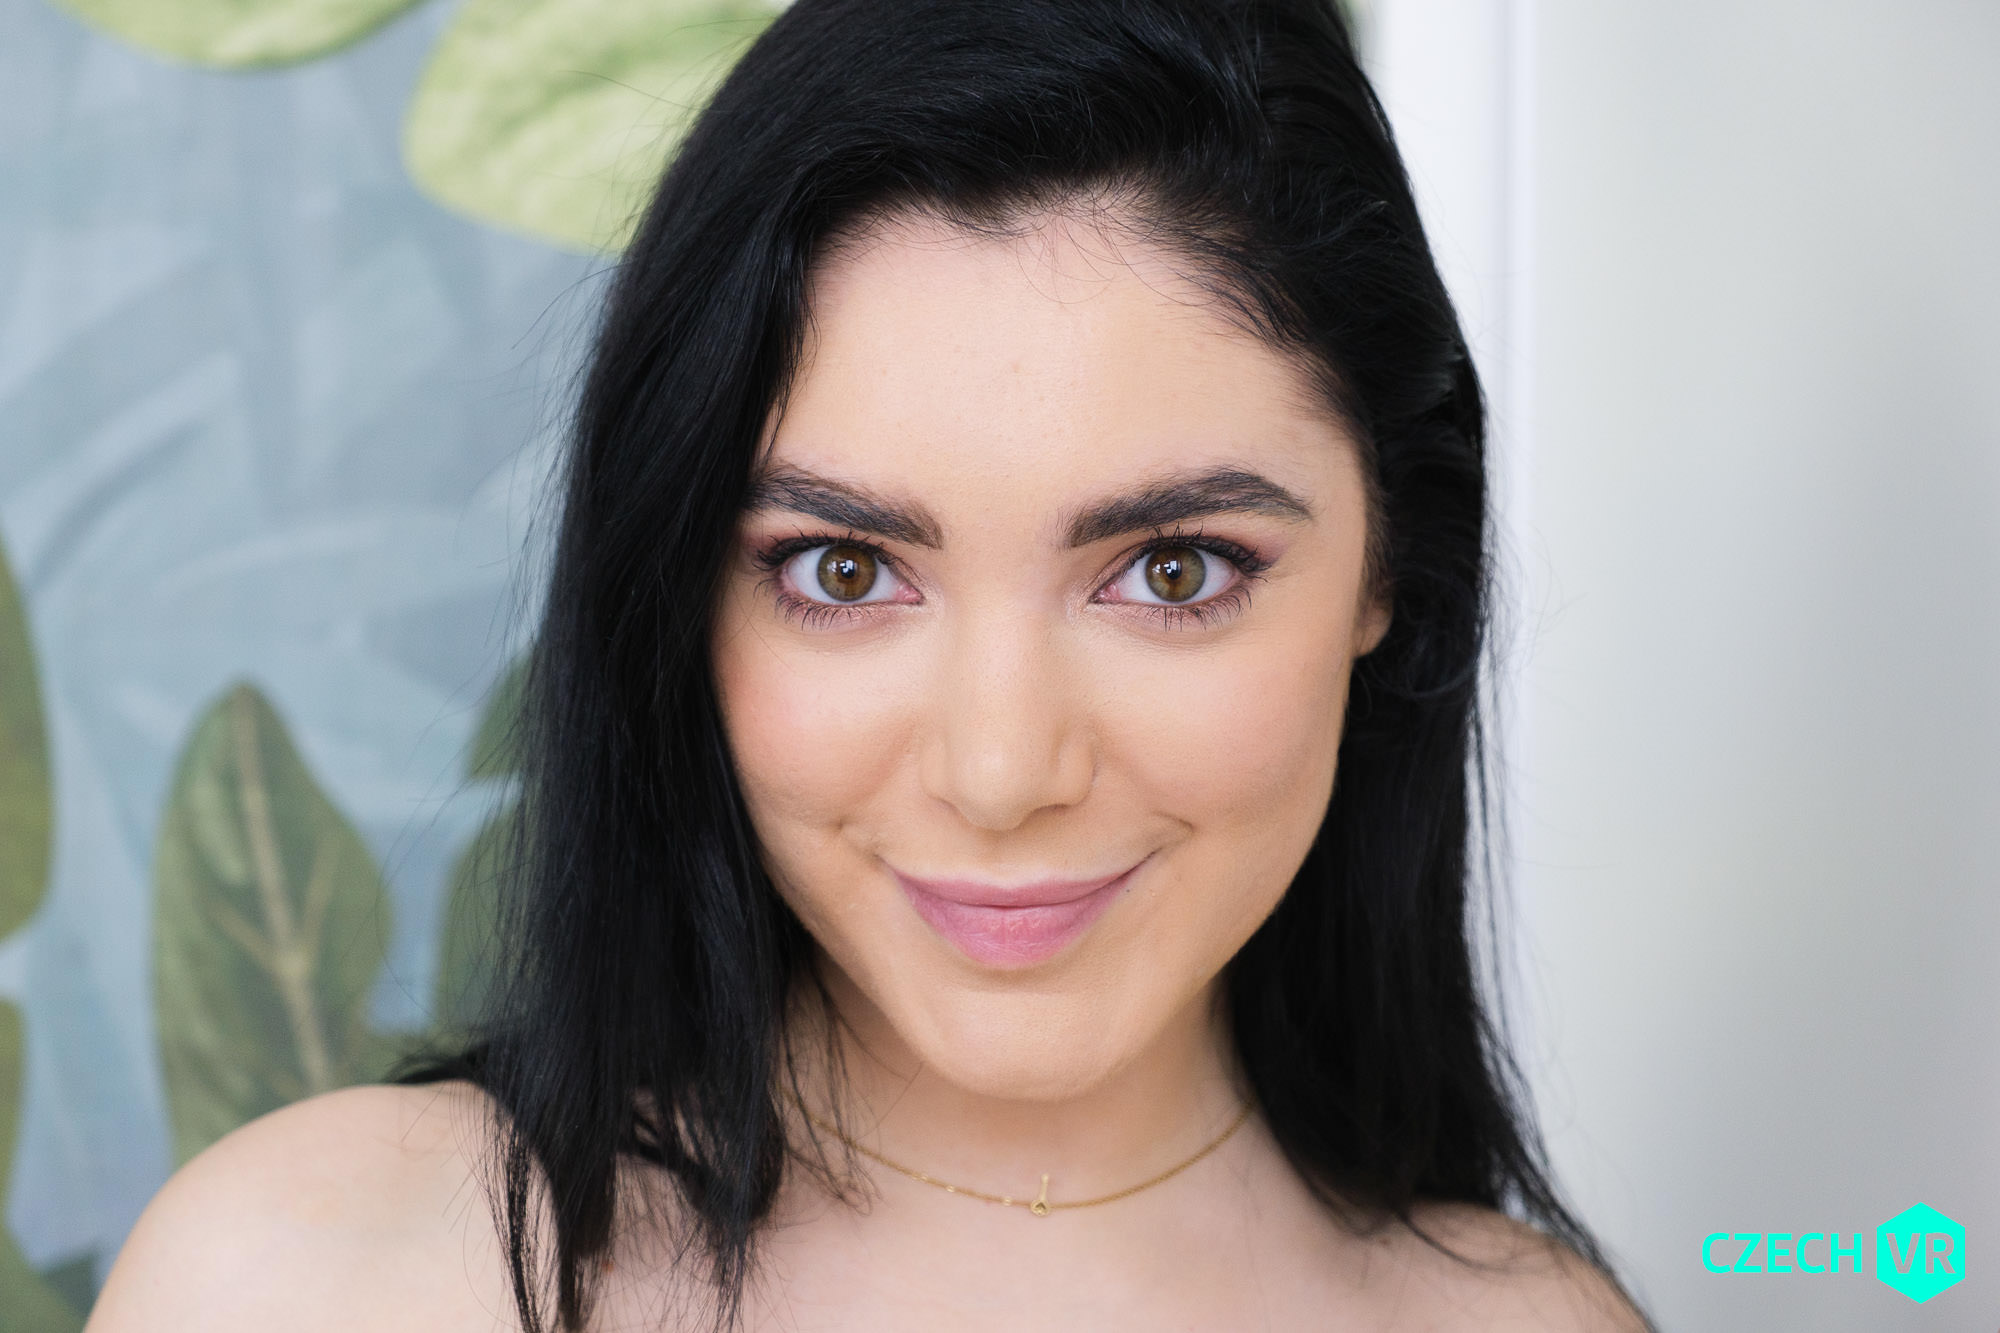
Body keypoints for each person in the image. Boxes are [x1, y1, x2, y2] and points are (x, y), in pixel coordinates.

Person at [88, 0, 1651, 1328]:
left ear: (1392, 570)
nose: (1001, 769)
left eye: (1174, 571)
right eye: (843, 571)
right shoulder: (313, 1278)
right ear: (682, 594)